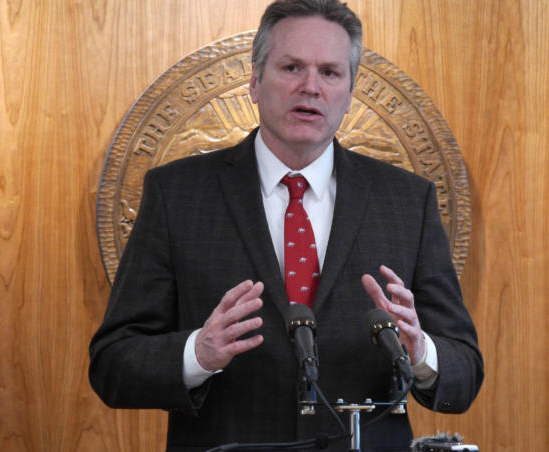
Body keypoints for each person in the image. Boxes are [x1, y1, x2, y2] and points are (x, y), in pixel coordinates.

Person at [89, 0, 483, 450]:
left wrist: (421, 352)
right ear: (255, 82)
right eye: (292, 67)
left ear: (350, 94)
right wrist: (197, 353)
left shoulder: (408, 200)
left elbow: (465, 372)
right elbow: (112, 364)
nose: (310, 87)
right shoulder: (176, 194)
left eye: (330, 72)